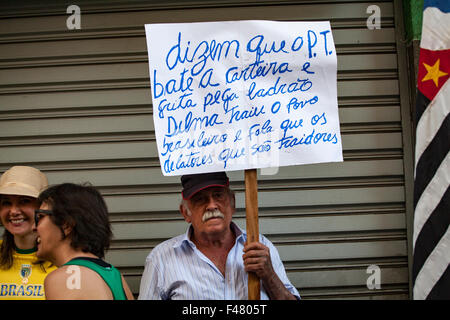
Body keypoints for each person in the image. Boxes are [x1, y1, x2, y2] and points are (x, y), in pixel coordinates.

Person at [138, 172, 300, 300]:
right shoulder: (161, 258)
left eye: (218, 195)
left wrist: (269, 275)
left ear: (233, 203)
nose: (211, 205)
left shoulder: (260, 246)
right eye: (200, 199)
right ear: (185, 213)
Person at [34, 183, 134, 300]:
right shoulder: (115, 276)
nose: (33, 227)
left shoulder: (66, 278)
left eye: (40, 217)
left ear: (66, 225)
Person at [0, 165, 56, 300]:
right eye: (6, 203)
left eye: (24, 201)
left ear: (43, 207)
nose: (13, 211)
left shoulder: (61, 259)